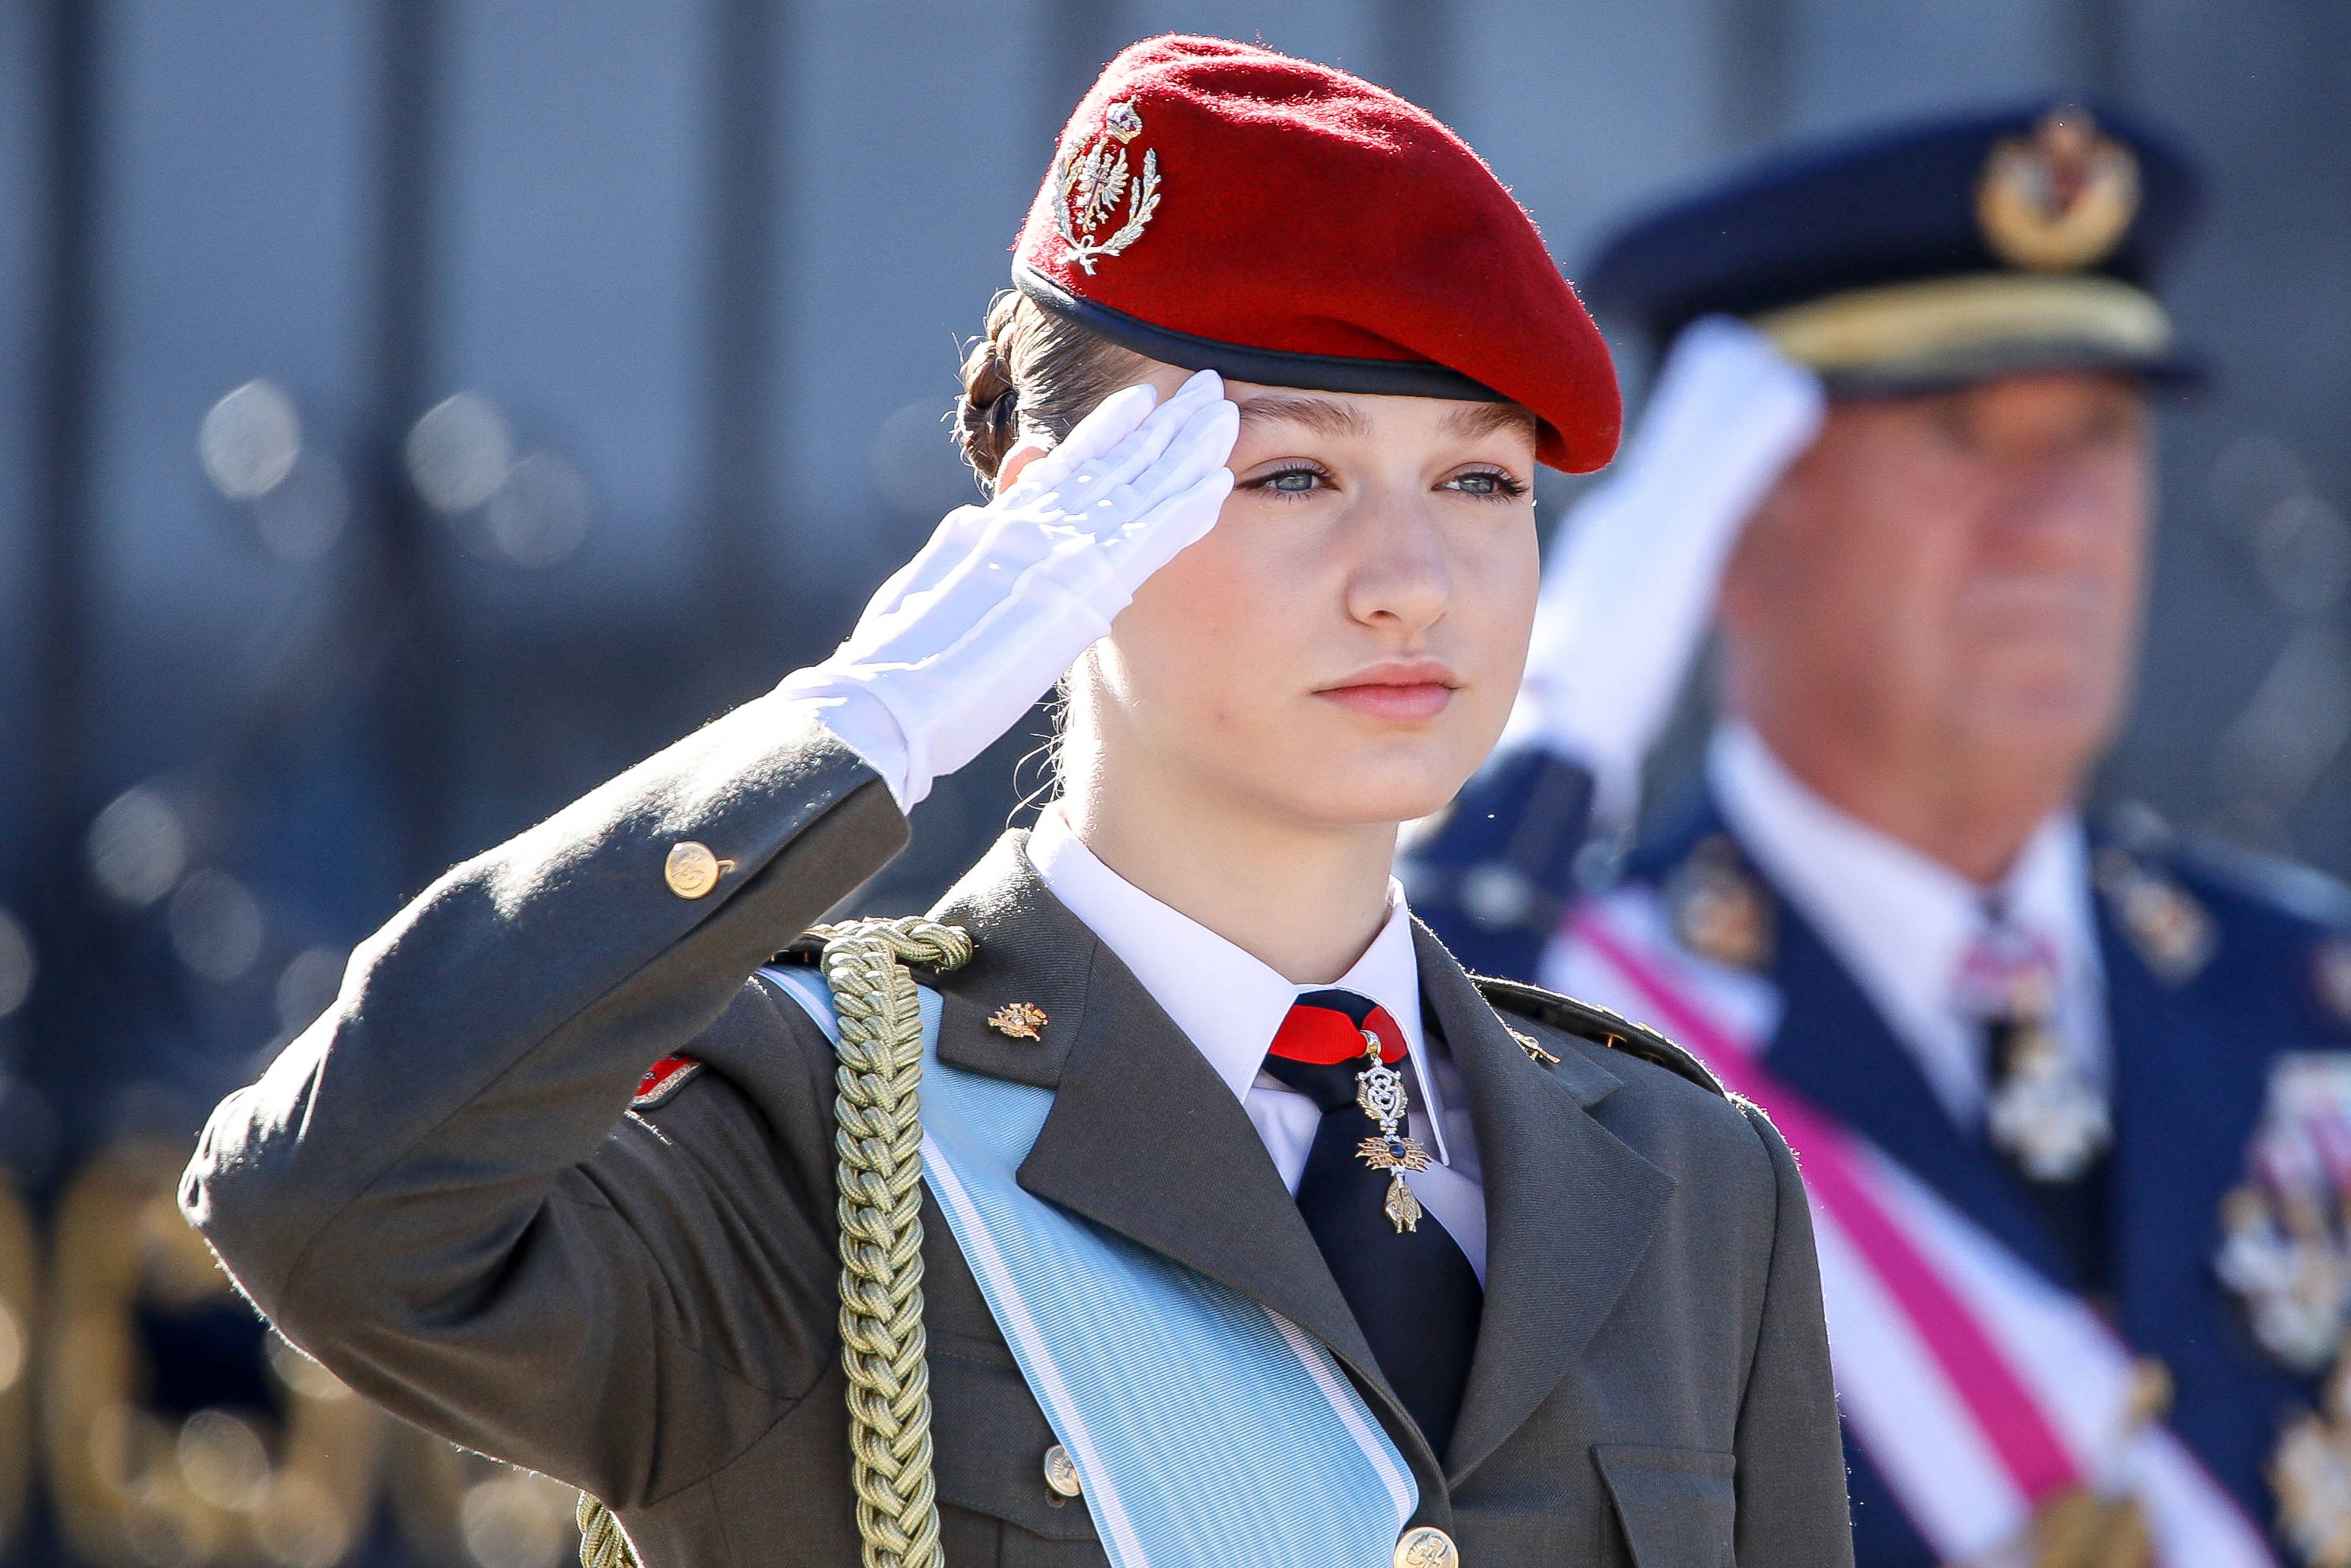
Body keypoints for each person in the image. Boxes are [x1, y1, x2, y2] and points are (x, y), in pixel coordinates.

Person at [180, 36, 1851, 1568]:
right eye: (1290, 475)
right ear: (1054, 528)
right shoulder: (808, 1133)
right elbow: (321, 1205)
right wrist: (856, 728)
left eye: (1480, 479)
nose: (1413, 583)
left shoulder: (1685, 1180)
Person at [1406, 100, 2351, 1567]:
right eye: (1957, 430)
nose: (2053, 521)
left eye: (2096, 432)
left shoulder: (2298, 987)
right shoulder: (1549, 1025)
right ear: (1735, 516)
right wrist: (1527, 756)